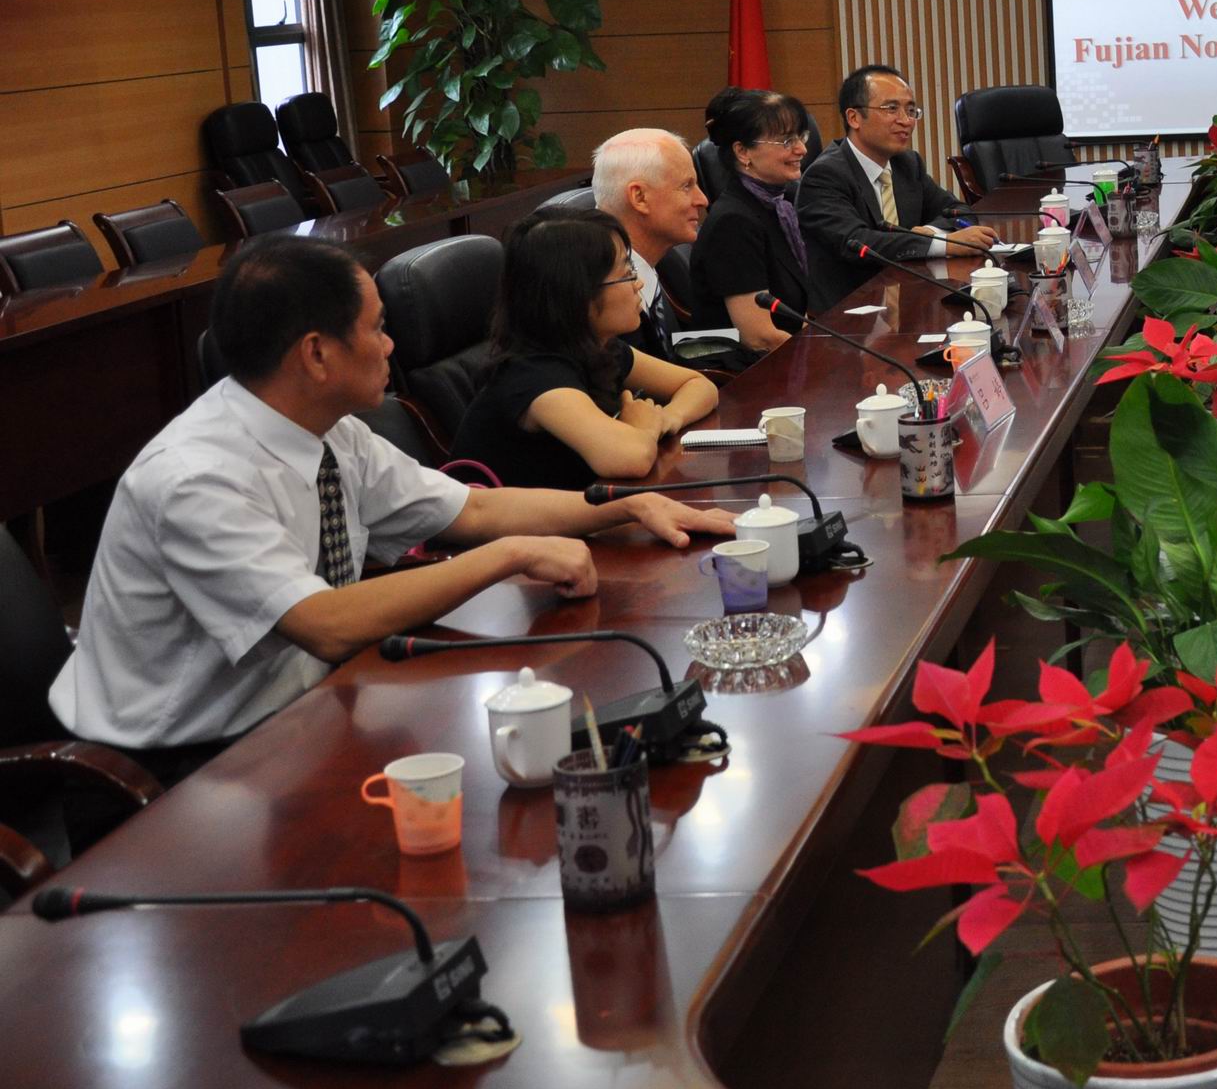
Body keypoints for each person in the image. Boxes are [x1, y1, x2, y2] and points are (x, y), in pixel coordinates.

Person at [46, 236, 736, 778]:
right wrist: (510, 557)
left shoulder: (329, 428)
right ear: (317, 354)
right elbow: (325, 624)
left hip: (303, 710)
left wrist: (627, 507)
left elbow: (471, 512)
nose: (391, 346)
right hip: (178, 766)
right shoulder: (196, 477)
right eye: (377, 329)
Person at [448, 209, 719, 490]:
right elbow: (631, 458)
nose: (637, 283)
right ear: (578, 293)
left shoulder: (596, 347)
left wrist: (667, 418)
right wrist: (643, 427)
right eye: (626, 274)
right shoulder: (536, 379)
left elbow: (698, 384)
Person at [799, 64, 999, 309]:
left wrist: (929, 232)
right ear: (854, 118)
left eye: (911, 110)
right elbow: (858, 243)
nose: (906, 121)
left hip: (910, 299)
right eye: (891, 109)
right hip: (851, 311)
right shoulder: (825, 175)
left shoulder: (906, 164)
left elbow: (959, 212)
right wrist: (944, 243)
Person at [692, 86, 814, 352]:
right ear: (743, 152)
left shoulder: (782, 203)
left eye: (801, 137)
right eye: (786, 141)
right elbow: (759, 337)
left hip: (789, 351)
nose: (802, 149)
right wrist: (826, 355)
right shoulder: (733, 223)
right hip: (752, 367)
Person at [591, 126, 709, 364]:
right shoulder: (600, 291)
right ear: (640, 198)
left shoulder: (660, 262)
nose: (702, 199)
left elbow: (672, 347)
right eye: (687, 186)